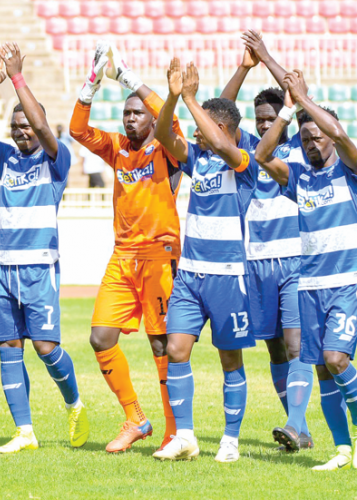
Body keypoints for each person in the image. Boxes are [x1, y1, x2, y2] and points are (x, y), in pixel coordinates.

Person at [0, 43, 89, 453]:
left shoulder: (56, 159)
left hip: (40, 267)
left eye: (28, 127)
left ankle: (73, 403)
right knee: (9, 347)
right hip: (3, 267)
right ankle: (25, 432)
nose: (23, 131)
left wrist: (18, 79)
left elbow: (41, 126)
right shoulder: (4, 159)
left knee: (45, 348)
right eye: (16, 127)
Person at [69, 41, 181, 453]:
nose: (131, 119)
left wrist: (127, 75)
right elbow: (77, 131)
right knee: (100, 337)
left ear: (153, 119)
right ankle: (136, 418)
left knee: (160, 343)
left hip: (159, 257)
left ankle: (173, 429)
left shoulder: (166, 147)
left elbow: (172, 120)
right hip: (122, 257)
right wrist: (94, 83)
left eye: (138, 114)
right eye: (127, 113)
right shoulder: (117, 148)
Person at [152, 59, 258, 463]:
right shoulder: (199, 159)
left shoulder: (243, 160)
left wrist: (193, 97)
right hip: (190, 276)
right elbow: (164, 132)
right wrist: (176, 96)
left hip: (229, 277)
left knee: (230, 358)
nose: (195, 130)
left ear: (224, 130)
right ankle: (186, 436)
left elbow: (220, 138)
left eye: (203, 124)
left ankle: (230, 440)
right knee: (176, 349)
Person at [254, 70, 357, 471]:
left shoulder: (349, 171)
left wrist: (306, 103)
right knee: (322, 370)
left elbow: (345, 137)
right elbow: (262, 157)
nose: (313, 144)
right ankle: (344, 450)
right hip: (310, 286)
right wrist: (289, 111)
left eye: (318, 137)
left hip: (347, 283)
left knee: (336, 359)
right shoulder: (299, 178)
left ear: (330, 136)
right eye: (306, 139)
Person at [219, 30, 314, 451]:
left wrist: (268, 58)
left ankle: (295, 425)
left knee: (296, 344)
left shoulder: (301, 146)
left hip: (294, 260)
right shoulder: (246, 153)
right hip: (255, 262)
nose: (262, 124)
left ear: (287, 116)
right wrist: (243, 68)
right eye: (257, 118)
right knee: (275, 349)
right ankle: (300, 429)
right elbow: (218, 115)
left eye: (269, 116)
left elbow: (300, 90)